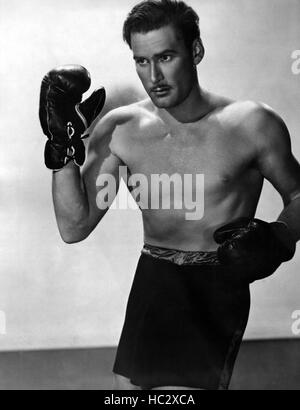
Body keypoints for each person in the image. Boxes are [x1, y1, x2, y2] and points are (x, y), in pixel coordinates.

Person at [39, 0, 300, 390]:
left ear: (195, 51)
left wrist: (280, 235)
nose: (154, 75)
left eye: (165, 57)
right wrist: (60, 149)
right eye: (141, 61)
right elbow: (74, 226)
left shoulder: (252, 124)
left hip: (212, 287)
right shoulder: (121, 128)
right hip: (152, 280)